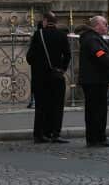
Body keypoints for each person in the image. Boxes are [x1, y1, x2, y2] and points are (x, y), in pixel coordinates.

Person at [26, 11, 71, 144]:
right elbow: (67, 55)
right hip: (56, 75)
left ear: (45, 21)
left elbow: (30, 57)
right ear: (55, 22)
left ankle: (40, 134)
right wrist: (62, 69)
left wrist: (38, 65)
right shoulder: (62, 35)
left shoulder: (38, 35)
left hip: (41, 77)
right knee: (57, 106)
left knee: (41, 106)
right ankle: (55, 133)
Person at [77, 15, 109, 147]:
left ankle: (96, 137)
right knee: (96, 111)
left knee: (97, 110)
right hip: (94, 80)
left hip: (96, 80)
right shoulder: (91, 39)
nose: (107, 26)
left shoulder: (93, 37)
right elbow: (100, 54)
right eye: (105, 24)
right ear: (97, 25)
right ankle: (97, 137)